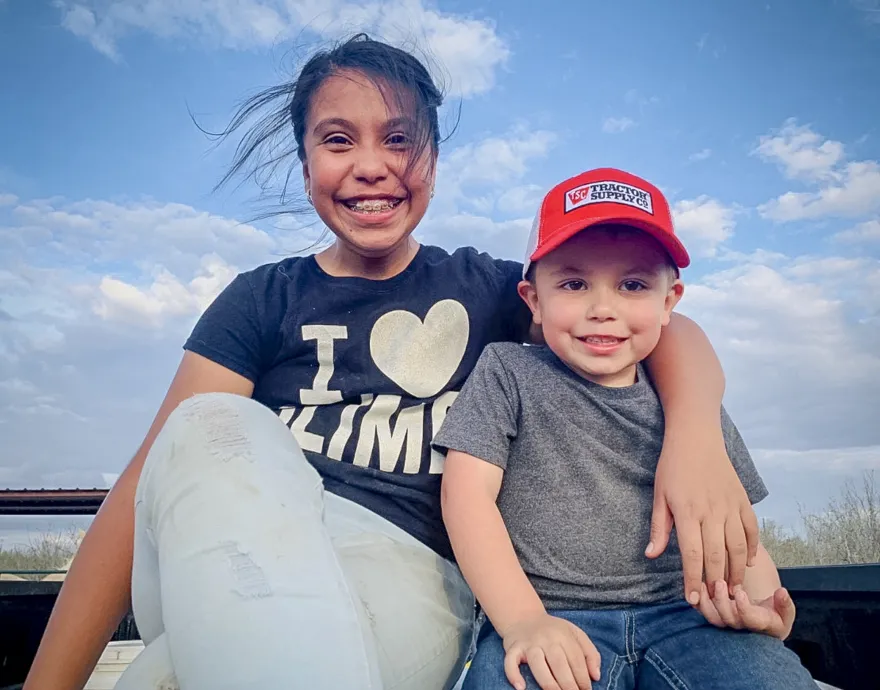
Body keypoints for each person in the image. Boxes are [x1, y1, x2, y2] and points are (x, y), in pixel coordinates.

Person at [25, 36, 758, 690]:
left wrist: (695, 442)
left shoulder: (489, 290)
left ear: (433, 160)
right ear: (306, 157)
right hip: (234, 545)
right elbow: (147, 490)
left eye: (399, 139)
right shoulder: (261, 300)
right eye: (338, 140)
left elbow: (663, 328)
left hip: (408, 578)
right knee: (210, 423)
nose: (370, 166)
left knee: (163, 678)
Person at [435, 167, 817, 690]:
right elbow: (466, 496)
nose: (603, 308)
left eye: (632, 285)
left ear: (669, 302)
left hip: (690, 617)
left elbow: (733, 526)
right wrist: (524, 621)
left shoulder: (692, 410)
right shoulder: (508, 373)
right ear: (534, 300)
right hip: (554, 616)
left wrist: (762, 605)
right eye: (573, 283)